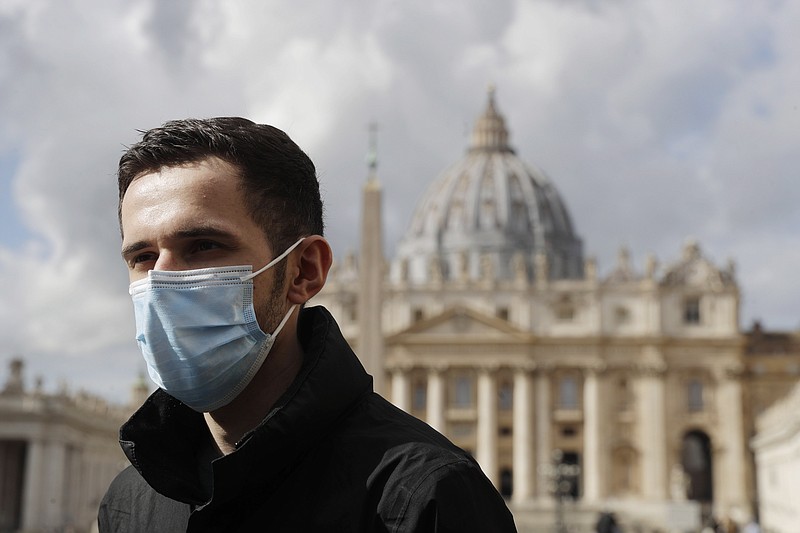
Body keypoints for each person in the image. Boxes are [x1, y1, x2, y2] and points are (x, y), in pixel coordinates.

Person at [98, 117, 517, 532]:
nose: (163, 280)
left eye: (204, 246)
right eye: (142, 257)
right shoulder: (129, 502)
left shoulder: (428, 497)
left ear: (304, 271)